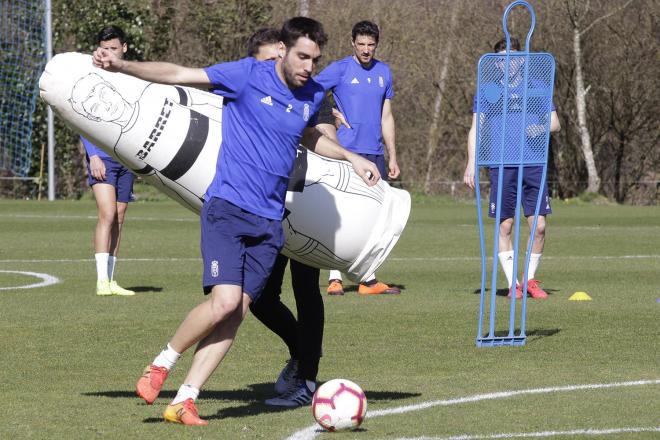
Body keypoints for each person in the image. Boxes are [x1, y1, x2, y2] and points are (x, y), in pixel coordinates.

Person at [93, 17, 380, 426]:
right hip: (228, 209)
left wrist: (351, 156)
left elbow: (309, 135)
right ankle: (161, 363)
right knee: (225, 302)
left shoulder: (311, 92)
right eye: (302, 57)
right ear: (282, 49)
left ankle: (185, 400)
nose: (308, 67)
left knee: (236, 312)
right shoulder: (246, 74)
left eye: (315, 60)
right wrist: (123, 66)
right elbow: (178, 74)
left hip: (269, 223)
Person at [247, 28, 337, 408]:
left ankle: (308, 379)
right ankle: (301, 354)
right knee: (260, 297)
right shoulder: (247, 92)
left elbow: (327, 141)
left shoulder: (313, 94)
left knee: (305, 290)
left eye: (273, 60)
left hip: (305, 203)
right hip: (261, 204)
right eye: (263, 62)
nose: (269, 67)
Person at [463, 37, 561, 300]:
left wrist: (539, 128)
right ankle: (513, 284)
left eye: (514, 57)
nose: (509, 63)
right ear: (497, 63)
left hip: (533, 163)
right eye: (502, 59)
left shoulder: (537, 87)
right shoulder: (489, 91)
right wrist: (471, 161)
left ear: (522, 59)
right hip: (502, 164)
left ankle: (530, 280)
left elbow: (555, 123)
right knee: (505, 226)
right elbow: (476, 128)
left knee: (539, 227)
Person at [315, 20, 401, 296]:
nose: (366, 50)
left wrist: (393, 156)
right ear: (352, 42)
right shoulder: (339, 69)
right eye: (361, 44)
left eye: (371, 45)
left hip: (374, 153)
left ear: (377, 44)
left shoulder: (384, 72)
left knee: (374, 217)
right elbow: (311, 91)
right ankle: (334, 277)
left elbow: (386, 117)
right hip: (345, 152)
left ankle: (367, 280)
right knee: (340, 213)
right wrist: (331, 113)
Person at [83, 25, 135, 297]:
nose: (109, 53)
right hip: (101, 155)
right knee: (107, 213)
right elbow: (82, 118)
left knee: (120, 216)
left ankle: (112, 280)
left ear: (124, 48)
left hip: (125, 156)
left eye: (114, 48)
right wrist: (92, 154)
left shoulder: (131, 77)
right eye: (104, 49)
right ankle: (101, 281)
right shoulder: (93, 76)